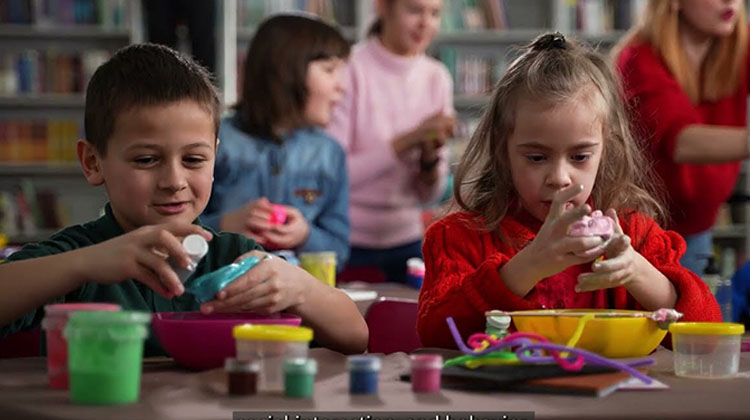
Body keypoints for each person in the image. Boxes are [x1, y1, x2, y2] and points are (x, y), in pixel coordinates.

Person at [0, 44, 368, 356]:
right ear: (94, 163)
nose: (174, 181)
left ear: (215, 157)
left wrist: (299, 287)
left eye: (194, 160)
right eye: (146, 160)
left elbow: (356, 336)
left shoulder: (233, 257)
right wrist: (86, 264)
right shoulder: (79, 255)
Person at [416, 33, 721, 348]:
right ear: (501, 149)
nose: (560, 178)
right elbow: (437, 333)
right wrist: (528, 265)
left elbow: (707, 336)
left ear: (606, 149)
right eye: (536, 157)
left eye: (580, 157)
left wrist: (636, 271)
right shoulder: (459, 237)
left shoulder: (635, 235)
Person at [202, 14, 350, 269]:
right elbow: (171, 231)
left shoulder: (330, 153)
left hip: (297, 295)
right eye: (329, 70)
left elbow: (340, 249)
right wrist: (224, 225)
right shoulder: (216, 141)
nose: (341, 87)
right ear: (286, 72)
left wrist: (305, 236)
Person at [614, 0, 748, 276]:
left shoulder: (737, 50)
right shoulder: (638, 59)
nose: (730, 1)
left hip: (699, 227)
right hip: (643, 233)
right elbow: (681, 141)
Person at [327, 0, 455, 284]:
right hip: (346, 241)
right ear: (383, 7)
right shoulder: (349, 68)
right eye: (414, 11)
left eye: (434, 14)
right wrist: (409, 139)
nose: (425, 24)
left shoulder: (437, 77)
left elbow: (429, 195)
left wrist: (429, 160)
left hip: (407, 242)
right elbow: (335, 175)